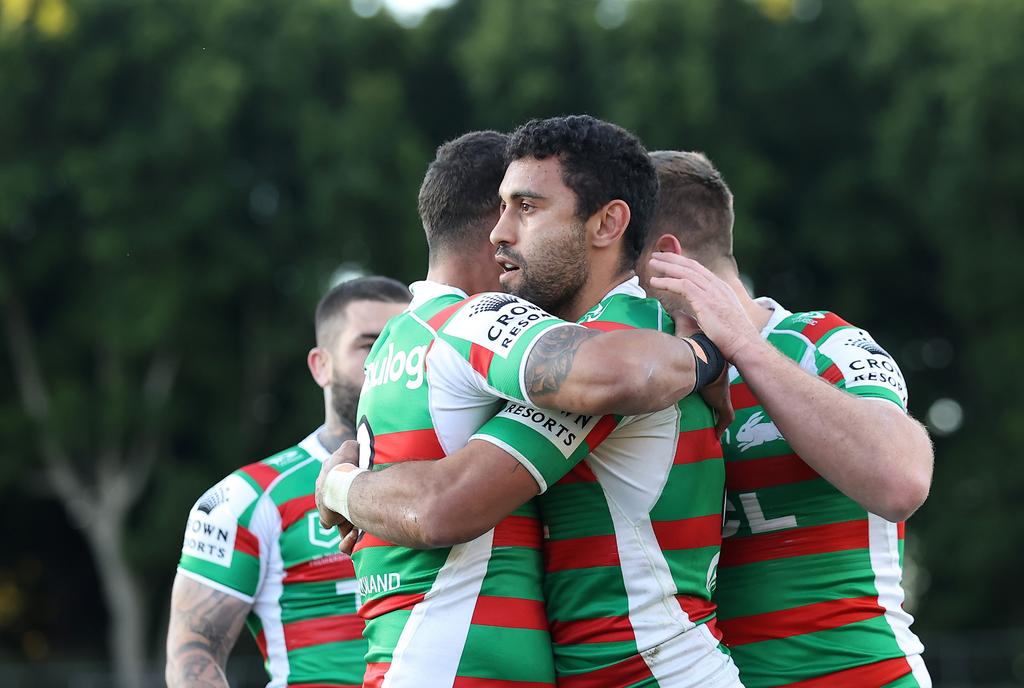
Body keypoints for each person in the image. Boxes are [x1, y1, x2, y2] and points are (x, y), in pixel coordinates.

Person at [318, 117, 743, 688]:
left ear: (607, 223)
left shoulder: (616, 349)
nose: (498, 233)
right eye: (500, 208)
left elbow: (445, 504)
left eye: (526, 208)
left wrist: (339, 485)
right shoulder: (594, 348)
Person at [642, 150, 933, 688]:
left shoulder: (823, 344)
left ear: (667, 260)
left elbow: (901, 481)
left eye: (619, 262)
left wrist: (744, 348)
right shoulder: (639, 380)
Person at [165, 277, 410, 688]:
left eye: (401, 344)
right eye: (369, 345)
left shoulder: (458, 479)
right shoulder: (246, 498)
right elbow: (194, 656)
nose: (387, 360)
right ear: (321, 366)